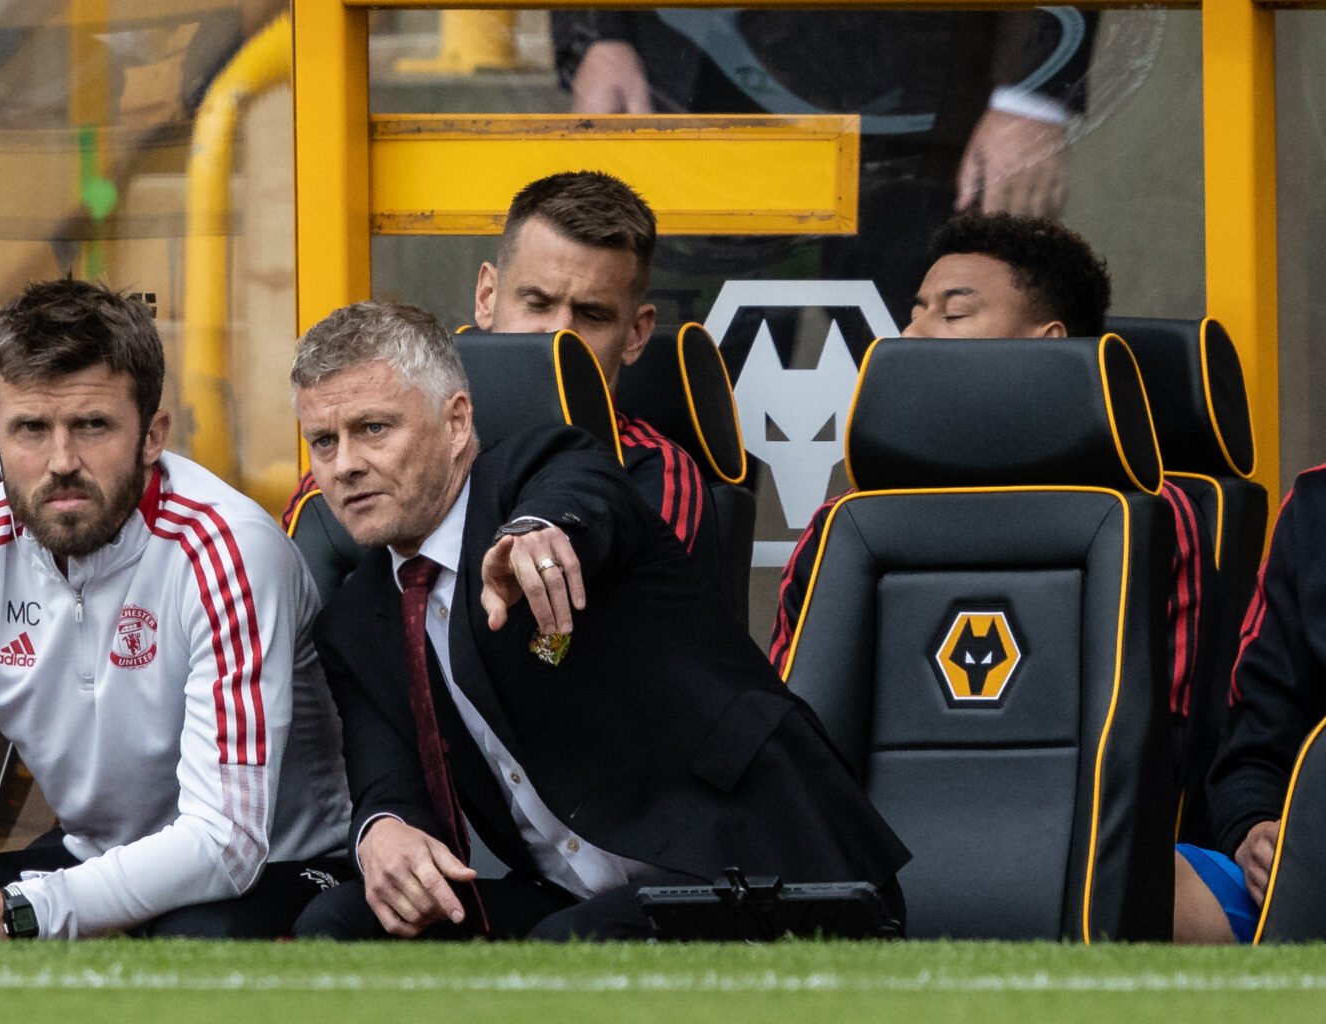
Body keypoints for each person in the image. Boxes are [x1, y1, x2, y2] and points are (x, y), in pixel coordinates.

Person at [288, 300, 909, 941]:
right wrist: (382, 831)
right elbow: (387, 780)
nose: (344, 465)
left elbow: (583, 498)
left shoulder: (541, 467)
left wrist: (540, 535)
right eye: (323, 441)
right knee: (339, 923)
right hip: (572, 896)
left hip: (756, 862)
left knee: (570, 945)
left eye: (373, 428)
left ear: (456, 422)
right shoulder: (355, 621)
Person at [0, 279, 351, 940]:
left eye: (92, 425)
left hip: (276, 868)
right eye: (31, 428)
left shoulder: (228, 549)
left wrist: (7, 916)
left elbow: (225, 841)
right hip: (91, 860)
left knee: (193, 944)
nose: (61, 461)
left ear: (152, 435)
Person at [767, 214, 1202, 729]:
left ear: (1049, 343)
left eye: (954, 315)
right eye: (915, 313)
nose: (910, 334)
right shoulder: (847, 521)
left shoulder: (1148, 515)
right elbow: (794, 728)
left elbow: (1164, 737)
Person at [283, 171, 714, 578]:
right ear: (486, 296)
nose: (560, 333)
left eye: (592, 314)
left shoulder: (655, 479)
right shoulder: (361, 463)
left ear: (635, 333)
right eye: (537, 303)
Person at [551, 10, 1094, 323]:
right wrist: (598, 31)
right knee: (698, 383)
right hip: (700, 81)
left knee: (926, 380)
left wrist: (1035, 90)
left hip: (921, 101)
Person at [1176, 471, 1326, 943]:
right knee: (1145, 886)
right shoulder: (1313, 507)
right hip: (1307, 889)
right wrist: (1254, 832)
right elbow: (1252, 752)